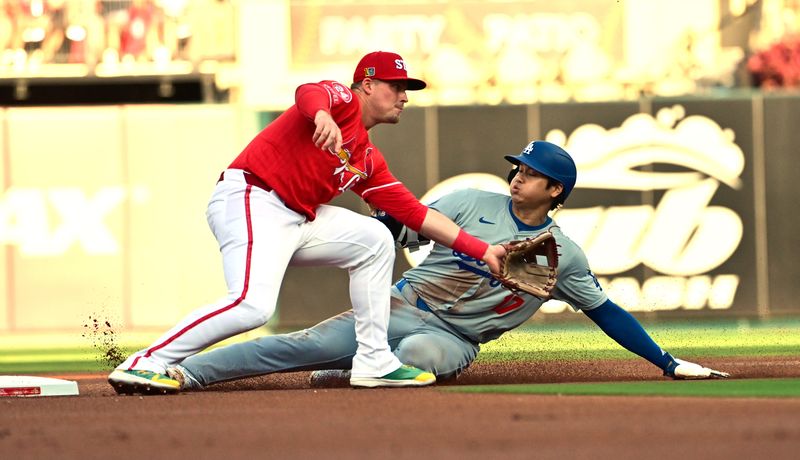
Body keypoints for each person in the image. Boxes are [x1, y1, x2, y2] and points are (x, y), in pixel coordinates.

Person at [164, 140, 728, 392]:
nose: (516, 176)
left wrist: (666, 361)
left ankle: (353, 372)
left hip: (454, 338)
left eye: (529, 173)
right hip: (402, 303)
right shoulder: (471, 202)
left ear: (555, 190)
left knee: (417, 359)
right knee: (294, 345)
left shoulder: (564, 254)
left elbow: (606, 312)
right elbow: (395, 229)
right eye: (517, 168)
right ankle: (183, 371)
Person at [108, 50, 506, 394]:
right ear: (366, 84)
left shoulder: (367, 159)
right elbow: (308, 92)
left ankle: (373, 362)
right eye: (395, 86)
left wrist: (484, 250)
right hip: (252, 196)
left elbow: (417, 215)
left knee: (374, 239)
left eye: (407, 90)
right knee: (252, 306)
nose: (403, 97)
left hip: (295, 218)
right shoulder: (342, 101)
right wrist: (322, 115)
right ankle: (145, 361)